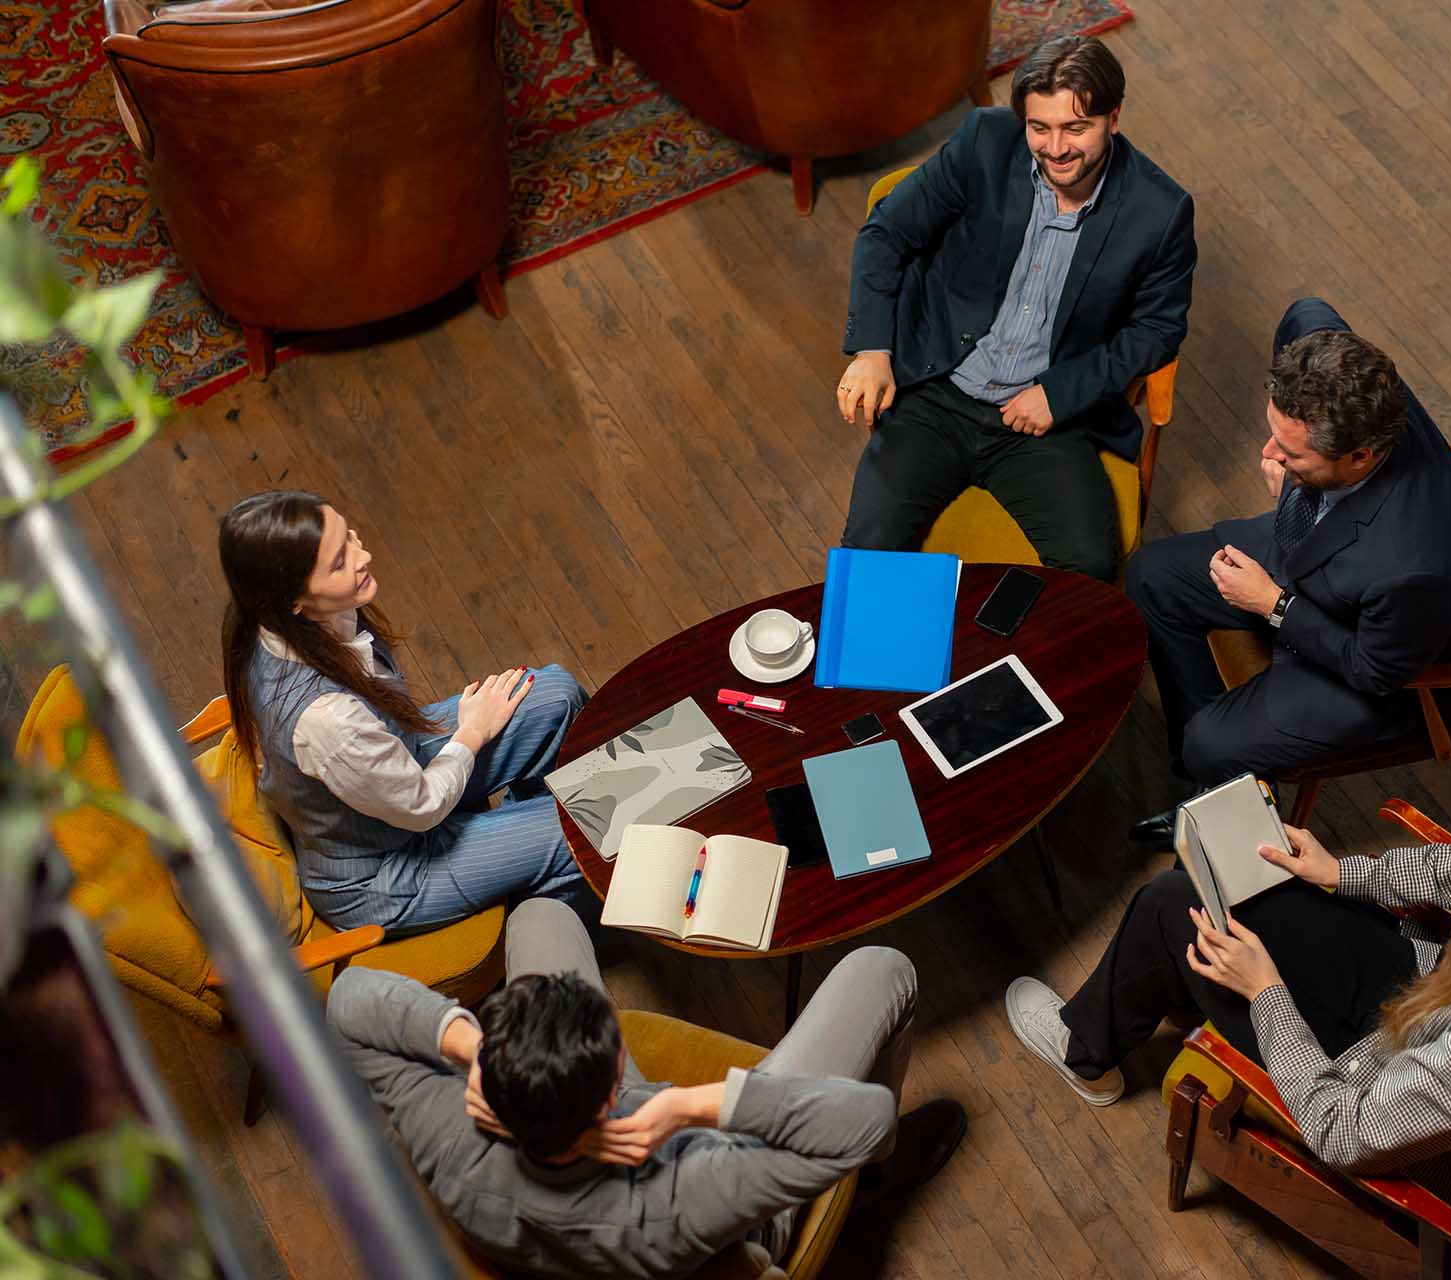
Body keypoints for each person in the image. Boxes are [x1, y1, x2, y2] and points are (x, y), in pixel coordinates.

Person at [328, 899, 966, 1278]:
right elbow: (868, 1118)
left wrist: (466, 1045)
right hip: (721, 1225)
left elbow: (348, 1001)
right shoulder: (679, 1197)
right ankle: (875, 1182)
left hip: (526, 1212)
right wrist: (690, 1105)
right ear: (612, 1094)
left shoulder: (442, 1123)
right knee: (884, 968)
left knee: (538, 915)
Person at [1004, 829, 1451, 1203]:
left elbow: (1342, 1132)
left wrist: (1266, 992)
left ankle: (1084, 1055)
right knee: (1225, 871)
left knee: (1174, 901)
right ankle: (1174, 982)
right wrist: (1340, 873)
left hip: (1360, 1077)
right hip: (1421, 1000)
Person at [837, 34, 1197, 583]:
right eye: (1039, 128)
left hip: (1045, 418)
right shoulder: (984, 139)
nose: (1055, 148)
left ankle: (1024, 669)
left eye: (1076, 128)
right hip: (936, 393)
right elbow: (886, 233)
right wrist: (872, 349)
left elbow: (1157, 327)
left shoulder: (1161, 211)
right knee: (868, 552)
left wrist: (1062, 392)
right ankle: (879, 672)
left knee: (1090, 571)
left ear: (1113, 119)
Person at [1124, 298, 1451, 843]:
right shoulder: (1336, 368)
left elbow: (1374, 672)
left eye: (1291, 453)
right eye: (1274, 434)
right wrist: (1296, 480)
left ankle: (1216, 767)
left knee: (1207, 743)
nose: (1268, 454)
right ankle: (1222, 780)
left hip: (1350, 648)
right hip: (1312, 546)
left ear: (1360, 456)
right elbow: (1306, 311)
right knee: (1152, 575)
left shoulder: (1415, 564)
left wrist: (1273, 605)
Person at [219, 489, 588, 935]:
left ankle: (517, 837)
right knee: (581, 828)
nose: (363, 555)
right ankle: (541, 914)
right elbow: (422, 804)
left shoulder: (282, 621)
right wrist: (471, 733)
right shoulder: (327, 720)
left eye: (350, 537)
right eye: (339, 562)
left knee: (553, 695)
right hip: (386, 873)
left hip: (394, 772)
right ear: (292, 601)